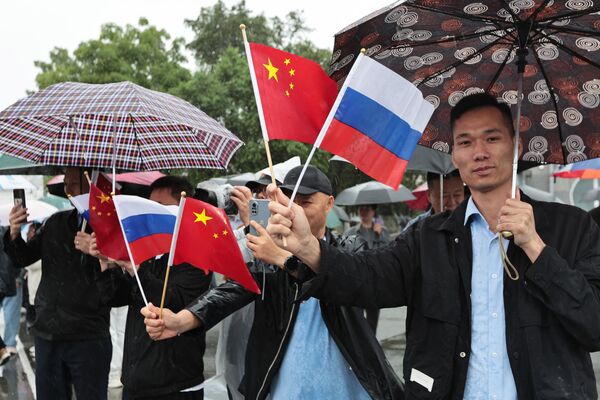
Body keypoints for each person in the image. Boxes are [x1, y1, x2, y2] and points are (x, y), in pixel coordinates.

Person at [265, 93, 600, 399]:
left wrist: (536, 248)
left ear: (514, 145)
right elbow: (370, 277)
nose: (479, 152)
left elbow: (593, 325)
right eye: (465, 141)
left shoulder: (573, 228)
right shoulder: (428, 237)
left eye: (492, 138)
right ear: (454, 153)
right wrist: (309, 246)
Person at [142, 166, 404, 400]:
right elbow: (234, 289)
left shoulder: (350, 247)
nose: (296, 210)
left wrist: (284, 259)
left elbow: (342, 281)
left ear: (329, 204)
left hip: (346, 381)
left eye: (306, 202)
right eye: (291, 201)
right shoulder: (269, 251)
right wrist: (181, 321)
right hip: (284, 382)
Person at [91, 175, 212, 400]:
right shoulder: (148, 252)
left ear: (183, 210)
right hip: (136, 379)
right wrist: (105, 262)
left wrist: (132, 266)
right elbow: (115, 297)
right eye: (149, 206)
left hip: (175, 385)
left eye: (160, 207)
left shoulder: (197, 256)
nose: (151, 214)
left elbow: (174, 302)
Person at [4, 167, 111, 400]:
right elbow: (23, 257)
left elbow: (120, 288)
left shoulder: (110, 227)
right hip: (48, 333)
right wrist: (14, 231)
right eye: (66, 183)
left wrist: (100, 254)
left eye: (74, 183)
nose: (67, 189)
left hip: (88, 336)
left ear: (91, 185)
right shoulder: (56, 222)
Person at [344, 204, 390, 333]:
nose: (363, 211)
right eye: (361, 208)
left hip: (374, 282)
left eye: (367, 209)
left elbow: (388, 253)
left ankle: (370, 349)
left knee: (372, 323)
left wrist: (380, 234)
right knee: (355, 320)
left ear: (373, 211)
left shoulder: (382, 230)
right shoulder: (351, 232)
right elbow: (344, 253)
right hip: (356, 280)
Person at [0, 225, 17, 365]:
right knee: (11, 313)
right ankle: (4, 348)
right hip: (7, 282)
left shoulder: (4, 233)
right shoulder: (7, 232)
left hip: (3, 281)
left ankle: (3, 349)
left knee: (11, 313)